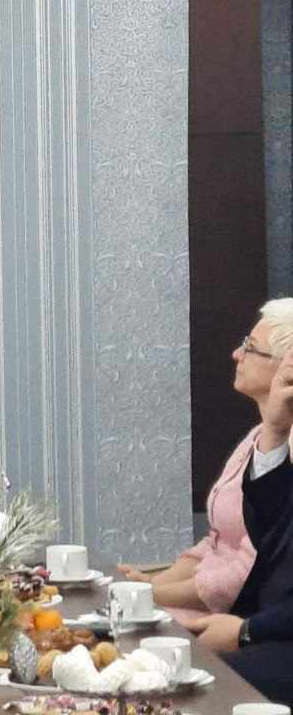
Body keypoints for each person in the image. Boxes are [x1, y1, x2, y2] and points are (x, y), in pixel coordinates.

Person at [118, 301, 293, 622]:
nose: (236, 354)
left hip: (232, 619)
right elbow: (216, 543)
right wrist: (148, 583)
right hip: (201, 604)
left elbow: (245, 573)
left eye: (250, 348)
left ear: (286, 369)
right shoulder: (256, 437)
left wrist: (149, 593)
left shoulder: (285, 453)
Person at [180, 337, 293, 702]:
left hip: (275, 638)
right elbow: (268, 536)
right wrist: (275, 431)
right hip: (268, 626)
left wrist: (246, 631)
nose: (235, 354)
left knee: (191, 687)